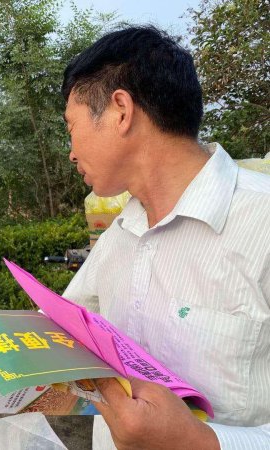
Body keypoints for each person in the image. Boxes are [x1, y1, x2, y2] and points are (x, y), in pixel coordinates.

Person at [60, 26, 270, 449]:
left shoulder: (261, 222)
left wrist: (199, 441)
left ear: (121, 111)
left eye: (71, 127)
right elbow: (67, 325)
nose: (71, 152)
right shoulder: (120, 233)